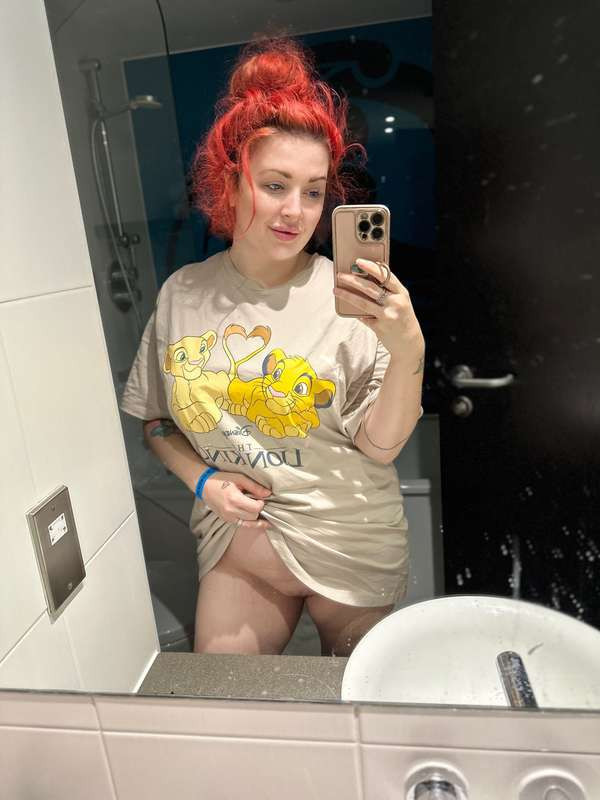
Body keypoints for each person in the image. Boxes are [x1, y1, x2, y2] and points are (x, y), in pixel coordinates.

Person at [120, 35, 425, 657]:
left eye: (313, 191)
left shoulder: (348, 298)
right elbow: (156, 423)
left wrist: (409, 349)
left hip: (351, 541)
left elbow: (381, 446)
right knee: (226, 702)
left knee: (356, 705)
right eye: (276, 185)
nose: (296, 211)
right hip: (239, 554)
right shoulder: (183, 293)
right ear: (231, 183)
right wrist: (204, 480)